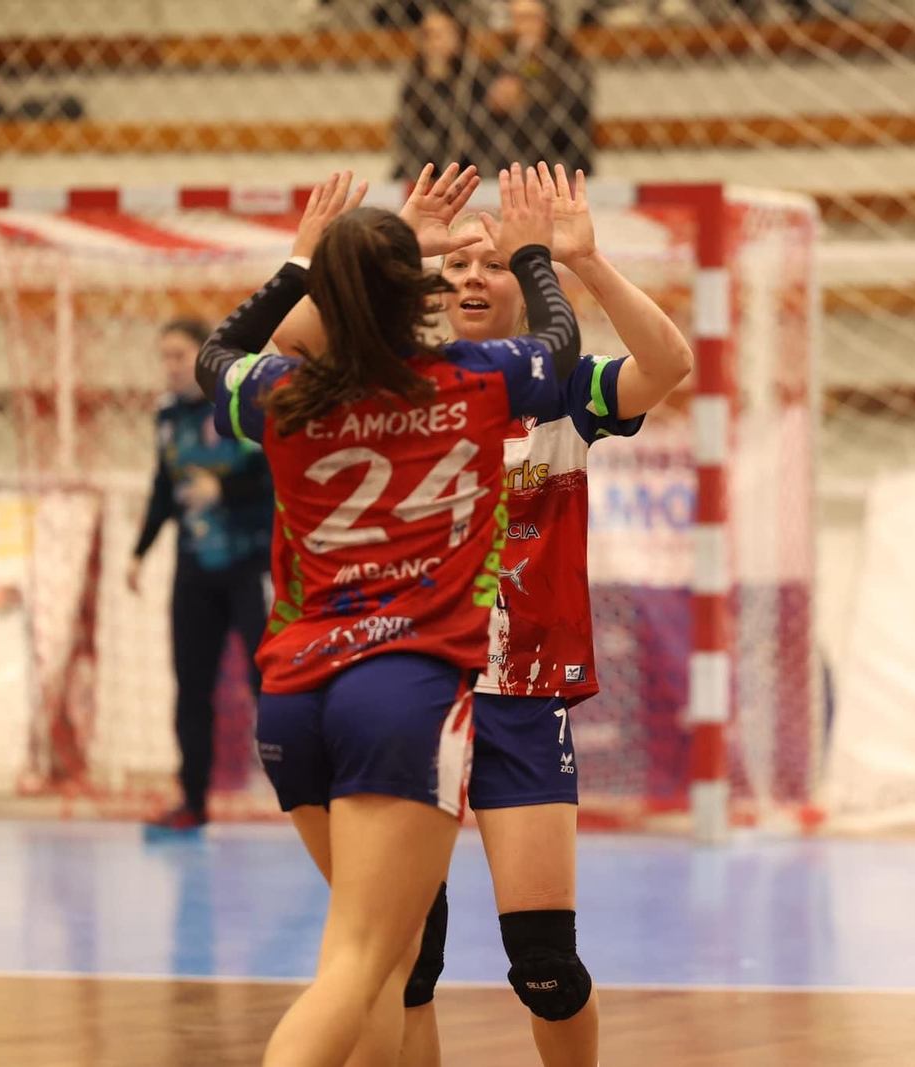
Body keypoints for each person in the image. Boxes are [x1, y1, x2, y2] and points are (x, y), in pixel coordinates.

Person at [271, 162, 693, 1067]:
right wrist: (395, 249)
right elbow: (285, 352)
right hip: (408, 689)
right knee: (405, 962)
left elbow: (669, 364)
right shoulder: (392, 390)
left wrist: (584, 261)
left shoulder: (561, 391)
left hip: (519, 698)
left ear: (521, 280)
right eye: (453, 265)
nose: (471, 277)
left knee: (546, 964)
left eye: (492, 263)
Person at [196, 164, 581, 1067]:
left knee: (388, 957)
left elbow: (224, 348)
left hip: (292, 694)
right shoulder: (476, 379)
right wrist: (530, 253)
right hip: (400, 691)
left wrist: (303, 262)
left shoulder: (283, 394)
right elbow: (559, 343)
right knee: (364, 959)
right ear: (418, 292)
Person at [128, 316, 275, 838]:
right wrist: (139, 551)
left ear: (201, 359)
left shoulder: (238, 410)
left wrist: (224, 494)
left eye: (177, 356)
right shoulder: (167, 417)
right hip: (194, 568)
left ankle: (306, 791)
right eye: (163, 356)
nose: (168, 367)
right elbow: (164, 488)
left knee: (271, 682)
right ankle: (192, 799)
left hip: (249, 563)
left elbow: (272, 482)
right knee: (190, 685)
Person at [471, 0, 593, 179]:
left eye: (530, 18)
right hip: (508, 163)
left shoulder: (570, 65)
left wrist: (524, 100)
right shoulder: (500, 65)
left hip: (559, 164)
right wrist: (493, 102)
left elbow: (569, 118)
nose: (524, 26)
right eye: (517, 19)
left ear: (547, 21)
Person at [390, 7, 483, 179]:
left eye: (441, 34)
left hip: (467, 165)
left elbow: (467, 131)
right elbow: (410, 136)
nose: (434, 42)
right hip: (421, 166)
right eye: (428, 35)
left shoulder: (472, 82)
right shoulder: (413, 84)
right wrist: (434, 80)